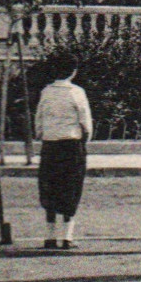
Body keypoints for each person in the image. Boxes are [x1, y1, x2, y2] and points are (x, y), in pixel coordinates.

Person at [34, 54, 92, 250]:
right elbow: (85, 122)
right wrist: (85, 140)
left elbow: (39, 119)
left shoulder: (46, 92)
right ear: (74, 71)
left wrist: (42, 135)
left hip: (50, 145)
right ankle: (67, 237)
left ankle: (49, 237)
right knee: (71, 189)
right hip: (71, 145)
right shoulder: (77, 93)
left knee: (49, 189)